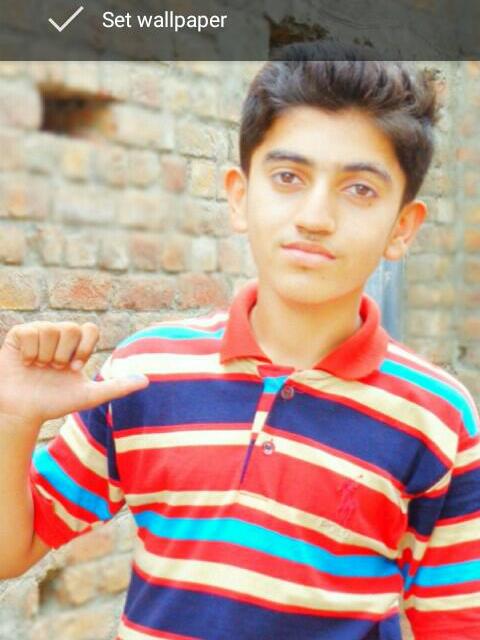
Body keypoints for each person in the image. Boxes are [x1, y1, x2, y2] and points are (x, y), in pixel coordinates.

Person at [0, 43, 479, 640]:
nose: (315, 216)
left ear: (402, 228)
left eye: (359, 189)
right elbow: (12, 550)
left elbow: (457, 621)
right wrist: (13, 421)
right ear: (238, 196)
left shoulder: (438, 417)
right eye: (288, 177)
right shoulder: (146, 373)